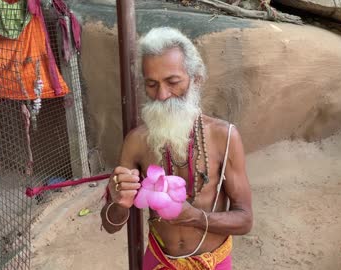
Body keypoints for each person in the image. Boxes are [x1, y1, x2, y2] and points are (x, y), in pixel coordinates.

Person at [101, 27, 253, 270]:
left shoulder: (225, 137)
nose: (162, 95)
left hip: (213, 263)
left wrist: (194, 217)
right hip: (159, 261)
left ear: (197, 79)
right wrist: (119, 202)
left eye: (172, 82)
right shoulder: (137, 141)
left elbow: (245, 220)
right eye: (151, 84)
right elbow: (111, 224)